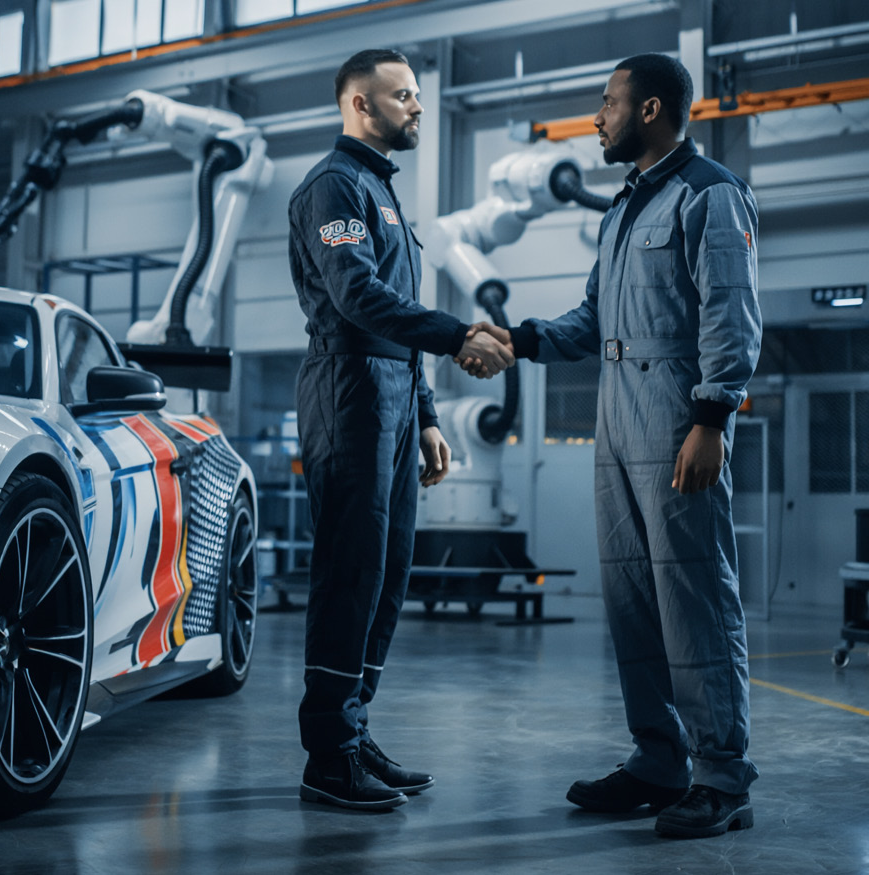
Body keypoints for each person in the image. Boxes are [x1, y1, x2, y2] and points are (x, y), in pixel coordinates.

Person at [462, 53, 761, 838]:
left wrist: (713, 417)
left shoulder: (711, 195)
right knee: (633, 598)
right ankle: (659, 759)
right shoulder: (622, 210)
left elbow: (731, 313)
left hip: (675, 412)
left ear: (652, 109)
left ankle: (723, 778)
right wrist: (517, 339)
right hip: (615, 412)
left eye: (607, 103)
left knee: (693, 595)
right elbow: (591, 323)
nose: (597, 118)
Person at [288, 48, 513, 811]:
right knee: (349, 570)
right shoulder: (335, 187)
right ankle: (327, 754)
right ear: (360, 104)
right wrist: (458, 335)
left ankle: (352, 729)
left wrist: (424, 416)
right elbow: (357, 298)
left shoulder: (380, 192)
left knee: (385, 573)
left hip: (389, 394)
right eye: (404, 95)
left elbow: (395, 319)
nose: (417, 107)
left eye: (416, 95)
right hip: (347, 388)